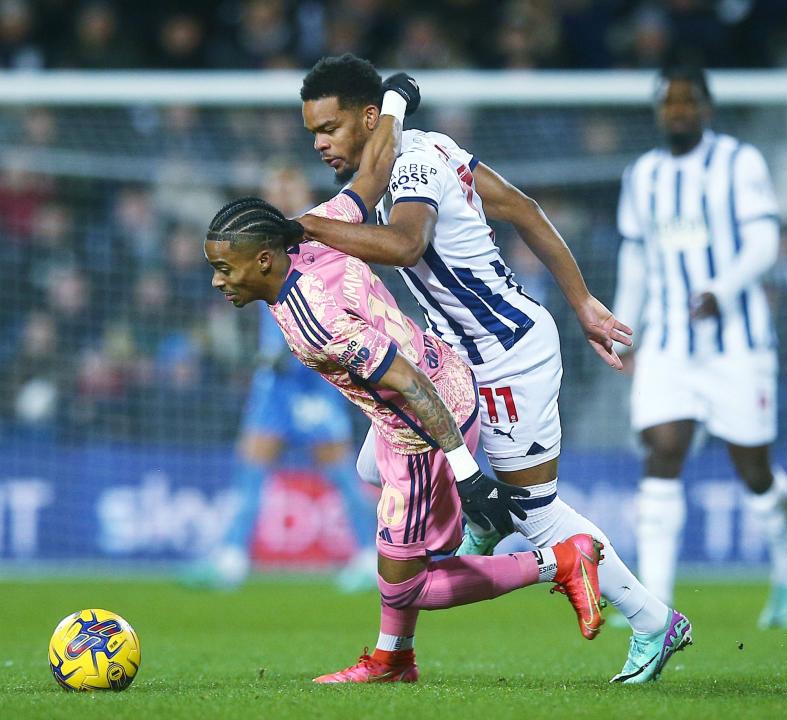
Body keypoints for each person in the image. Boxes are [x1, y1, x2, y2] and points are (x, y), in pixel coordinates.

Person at [295, 53, 689, 684]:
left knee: (536, 514)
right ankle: (480, 517)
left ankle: (652, 620)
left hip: (507, 358)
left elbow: (406, 244)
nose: (319, 143)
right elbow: (521, 207)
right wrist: (582, 300)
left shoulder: (416, 166)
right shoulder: (421, 145)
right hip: (452, 361)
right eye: (312, 131)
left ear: (369, 119)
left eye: (331, 128)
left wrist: (304, 226)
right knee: (378, 463)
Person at [202, 83, 607, 683]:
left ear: (262, 261)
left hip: (421, 425)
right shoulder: (318, 231)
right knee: (388, 534)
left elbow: (407, 383)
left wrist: (469, 480)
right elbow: (371, 175)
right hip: (438, 384)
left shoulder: (314, 323)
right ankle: (394, 656)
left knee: (409, 583)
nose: (218, 282)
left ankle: (561, 561)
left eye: (223, 268)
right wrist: (394, 104)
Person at [611, 65, 787, 629]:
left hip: (738, 346)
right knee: (662, 451)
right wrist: (627, 329)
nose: (677, 111)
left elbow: (766, 238)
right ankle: (653, 604)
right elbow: (637, 259)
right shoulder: (642, 175)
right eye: (668, 103)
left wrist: (723, 289)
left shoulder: (739, 162)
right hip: (670, 344)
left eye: (687, 101)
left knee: (754, 472)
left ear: (707, 107)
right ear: (657, 111)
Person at [184, 166, 379, 593]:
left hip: (311, 377)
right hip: (273, 381)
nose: (278, 192)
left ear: (303, 190)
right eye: (272, 186)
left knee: (342, 475)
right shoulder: (257, 242)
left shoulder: (319, 239)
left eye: (286, 185)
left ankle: (369, 554)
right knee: (251, 469)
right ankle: (233, 557)